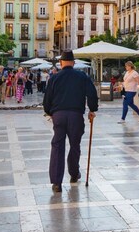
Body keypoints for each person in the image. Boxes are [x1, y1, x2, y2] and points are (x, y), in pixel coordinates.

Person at [42, 50, 98, 192]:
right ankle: (74, 174)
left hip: (59, 115)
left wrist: (49, 112)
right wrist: (92, 109)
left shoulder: (54, 78)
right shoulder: (82, 76)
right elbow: (92, 93)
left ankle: (56, 182)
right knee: (75, 145)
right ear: (73, 63)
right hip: (75, 115)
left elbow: (47, 99)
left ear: (61, 63)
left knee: (57, 146)